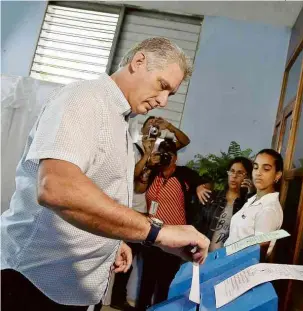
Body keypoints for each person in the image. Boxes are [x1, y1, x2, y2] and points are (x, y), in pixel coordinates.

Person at [1, 37, 210, 311]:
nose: (163, 101)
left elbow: (95, 193)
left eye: (170, 94)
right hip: (33, 284)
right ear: (138, 62)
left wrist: (113, 241)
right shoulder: (85, 99)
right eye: (163, 87)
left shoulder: (119, 121)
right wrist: (156, 233)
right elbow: (57, 188)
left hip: (72, 289)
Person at [110, 117, 190, 310]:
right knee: (138, 270)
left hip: (160, 225)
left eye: (156, 128)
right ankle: (118, 299)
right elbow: (136, 181)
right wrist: (147, 156)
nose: (154, 130)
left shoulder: (170, 162)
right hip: (138, 218)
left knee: (160, 277)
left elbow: (185, 141)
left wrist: (168, 127)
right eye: (150, 127)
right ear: (144, 129)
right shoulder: (139, 151)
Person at [134, 139, 206, 310]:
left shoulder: (184, 174)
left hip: (175, 239)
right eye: (162, 154)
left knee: (164, 285)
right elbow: (139, 188)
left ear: (175, 157)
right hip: (152, 236)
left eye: (169, 155)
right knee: (146, 282)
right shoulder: (153, 173)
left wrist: (200, 187)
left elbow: (204, 182)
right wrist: (148, 165)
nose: (166, 158)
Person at [224, 149, 284, 260]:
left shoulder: (268, 210)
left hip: (236, 270)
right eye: (256, 167)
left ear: (277, 175)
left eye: (266, 169)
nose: (258, 173)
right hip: (226, 261)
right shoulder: (252, 200)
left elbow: (256, 256)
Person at [193, 157, 254, 252]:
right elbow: (197, 225)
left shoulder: (246, 204)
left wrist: (250, 194)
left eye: (240, 173)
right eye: (232, 171)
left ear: (248, 177)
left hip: (227, 258)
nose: (234, 176)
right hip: (204, 255)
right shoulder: (213, 197)